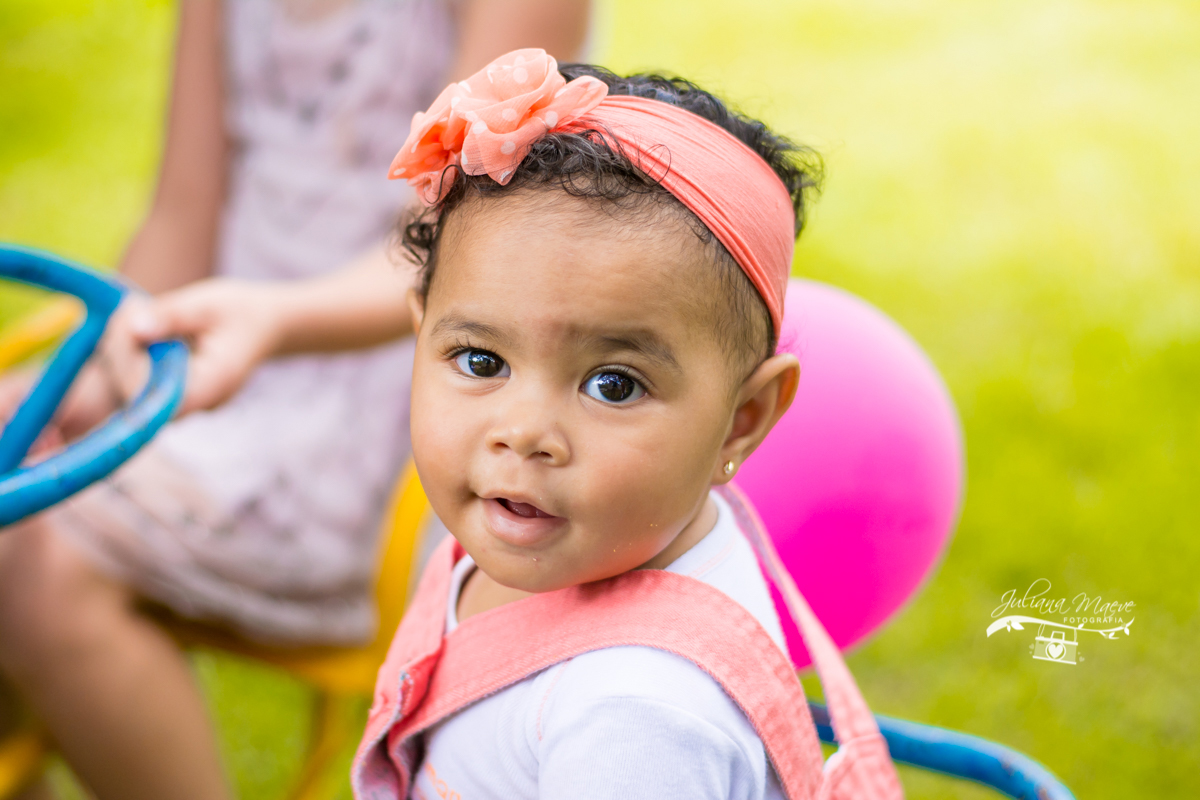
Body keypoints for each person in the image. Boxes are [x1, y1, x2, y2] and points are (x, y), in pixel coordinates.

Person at [132, 49, 899, 799]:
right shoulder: (565, 535)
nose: (524, 431)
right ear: (420, 332)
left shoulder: (637, 716)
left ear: (743, 420)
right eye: (479, 361)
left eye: (613, 384)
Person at [0, 4, 587, 800]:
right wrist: (98, 372)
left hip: (379, 413)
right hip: (211, 360)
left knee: (20, 558)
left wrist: (271, 322)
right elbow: (182, 219)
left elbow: (465, 248)